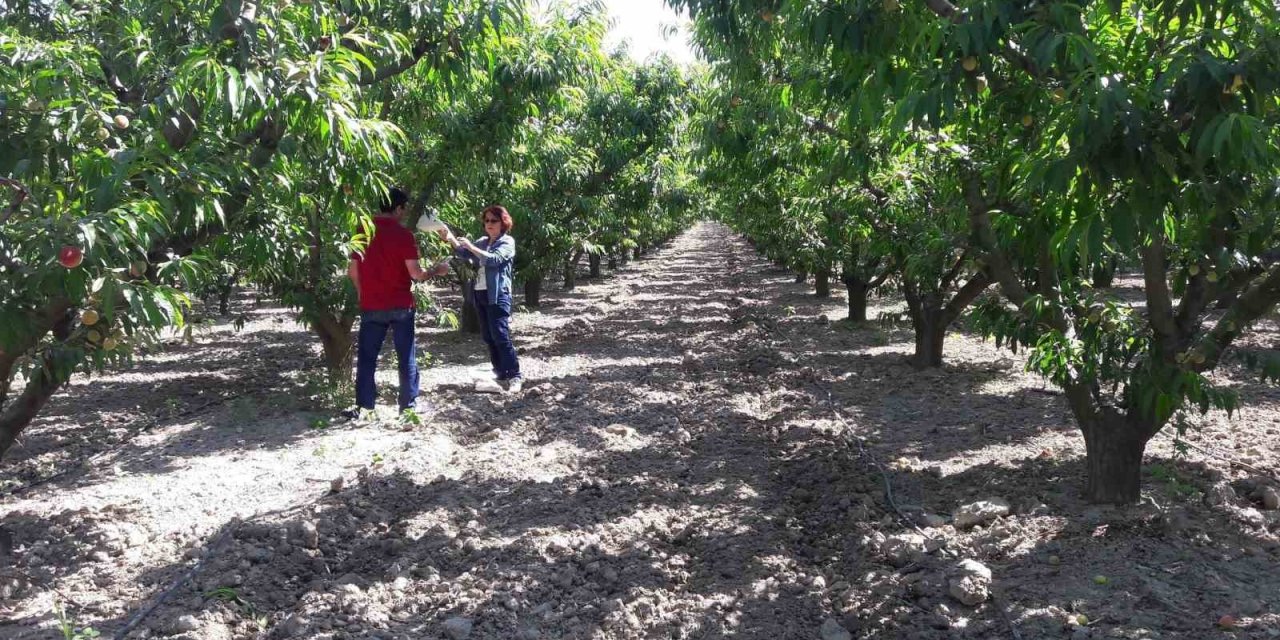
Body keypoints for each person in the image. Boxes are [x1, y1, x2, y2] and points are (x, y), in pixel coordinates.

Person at [346, 187, 448, 416]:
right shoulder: (404, 235)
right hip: (401, 304)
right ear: (398, 208)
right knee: (405, 357)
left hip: (372, 304)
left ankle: (365, 407)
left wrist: (363, 293)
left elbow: (352, 271)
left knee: (367, 359)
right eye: (404, 209)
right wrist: (437, 270)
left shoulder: (362, 232)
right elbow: (416, 274)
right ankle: (407, 408)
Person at [438, 205, 522, 393]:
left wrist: (471, 246)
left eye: (494, 220)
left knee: (500, 335)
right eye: (487, 221)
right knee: (488, 335)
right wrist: (450, 238)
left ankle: (515, 375)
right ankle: (500, 372)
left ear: (503, 222)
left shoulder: (507, 242)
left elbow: (493, 259)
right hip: (480, 292)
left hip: (498, 294)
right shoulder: (483, 241)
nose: (489, 224)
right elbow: (466, 254)